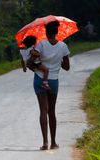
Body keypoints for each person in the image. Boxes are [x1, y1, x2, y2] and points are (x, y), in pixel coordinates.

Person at [27, 20, 70, 150]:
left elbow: (29, 64)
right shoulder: (63, 46)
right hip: (53, 81)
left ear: (46, 32)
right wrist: (58, 60)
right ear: (57, 32)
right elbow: (67, 67)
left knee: (43, 110)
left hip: (40, 79)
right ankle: (53, 143)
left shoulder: (41, 45)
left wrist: (33, 55)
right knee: (52, 111)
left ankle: (45, 142)